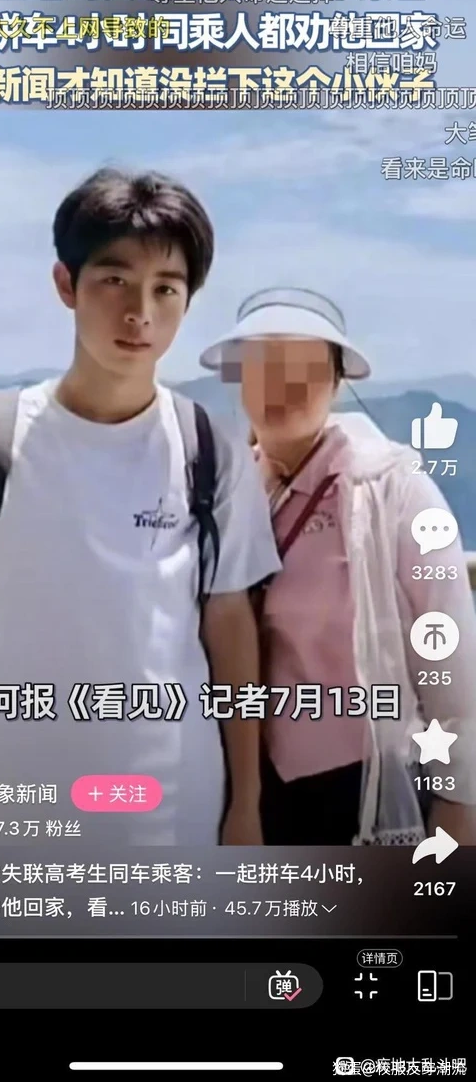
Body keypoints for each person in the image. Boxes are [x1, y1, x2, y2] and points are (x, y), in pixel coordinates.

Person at [0, 169, 279, 848]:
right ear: (66, 284)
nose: (140, 312)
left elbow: (230, 624)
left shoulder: (208, 448)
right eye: (114, 280)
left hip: (176, 810)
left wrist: (246, 803)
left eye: (166, 289)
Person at [200, 287, 476, 846]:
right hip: (249, 785)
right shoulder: (232, 493)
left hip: (364, 782)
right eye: (262, 366)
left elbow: (448, 649)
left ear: (336, 380)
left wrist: (460, 801)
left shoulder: (393, 491)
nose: (280, 384)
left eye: (303, 368)